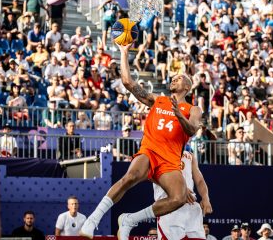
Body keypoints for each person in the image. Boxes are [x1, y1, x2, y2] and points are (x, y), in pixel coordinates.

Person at [80, 43, 201, 239]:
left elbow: (193, 129)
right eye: (173, 77)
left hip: (170, 160)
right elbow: (128, 82)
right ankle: (92, 220)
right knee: (130, 177)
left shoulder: (193, 109)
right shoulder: (158, 100)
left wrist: (179, 115)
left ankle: (130, 219)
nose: (173, 79)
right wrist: (124, 52)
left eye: (178, 78)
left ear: (187, 86)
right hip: (150, 149)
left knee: (179, 198)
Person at [153, 150, 213, 240]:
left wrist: (205, 198)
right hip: (169, 206)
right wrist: (180, 188)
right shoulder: (158, 151)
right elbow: (150, 175)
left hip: (190, 206)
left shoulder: (189, 155)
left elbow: (200, 180)